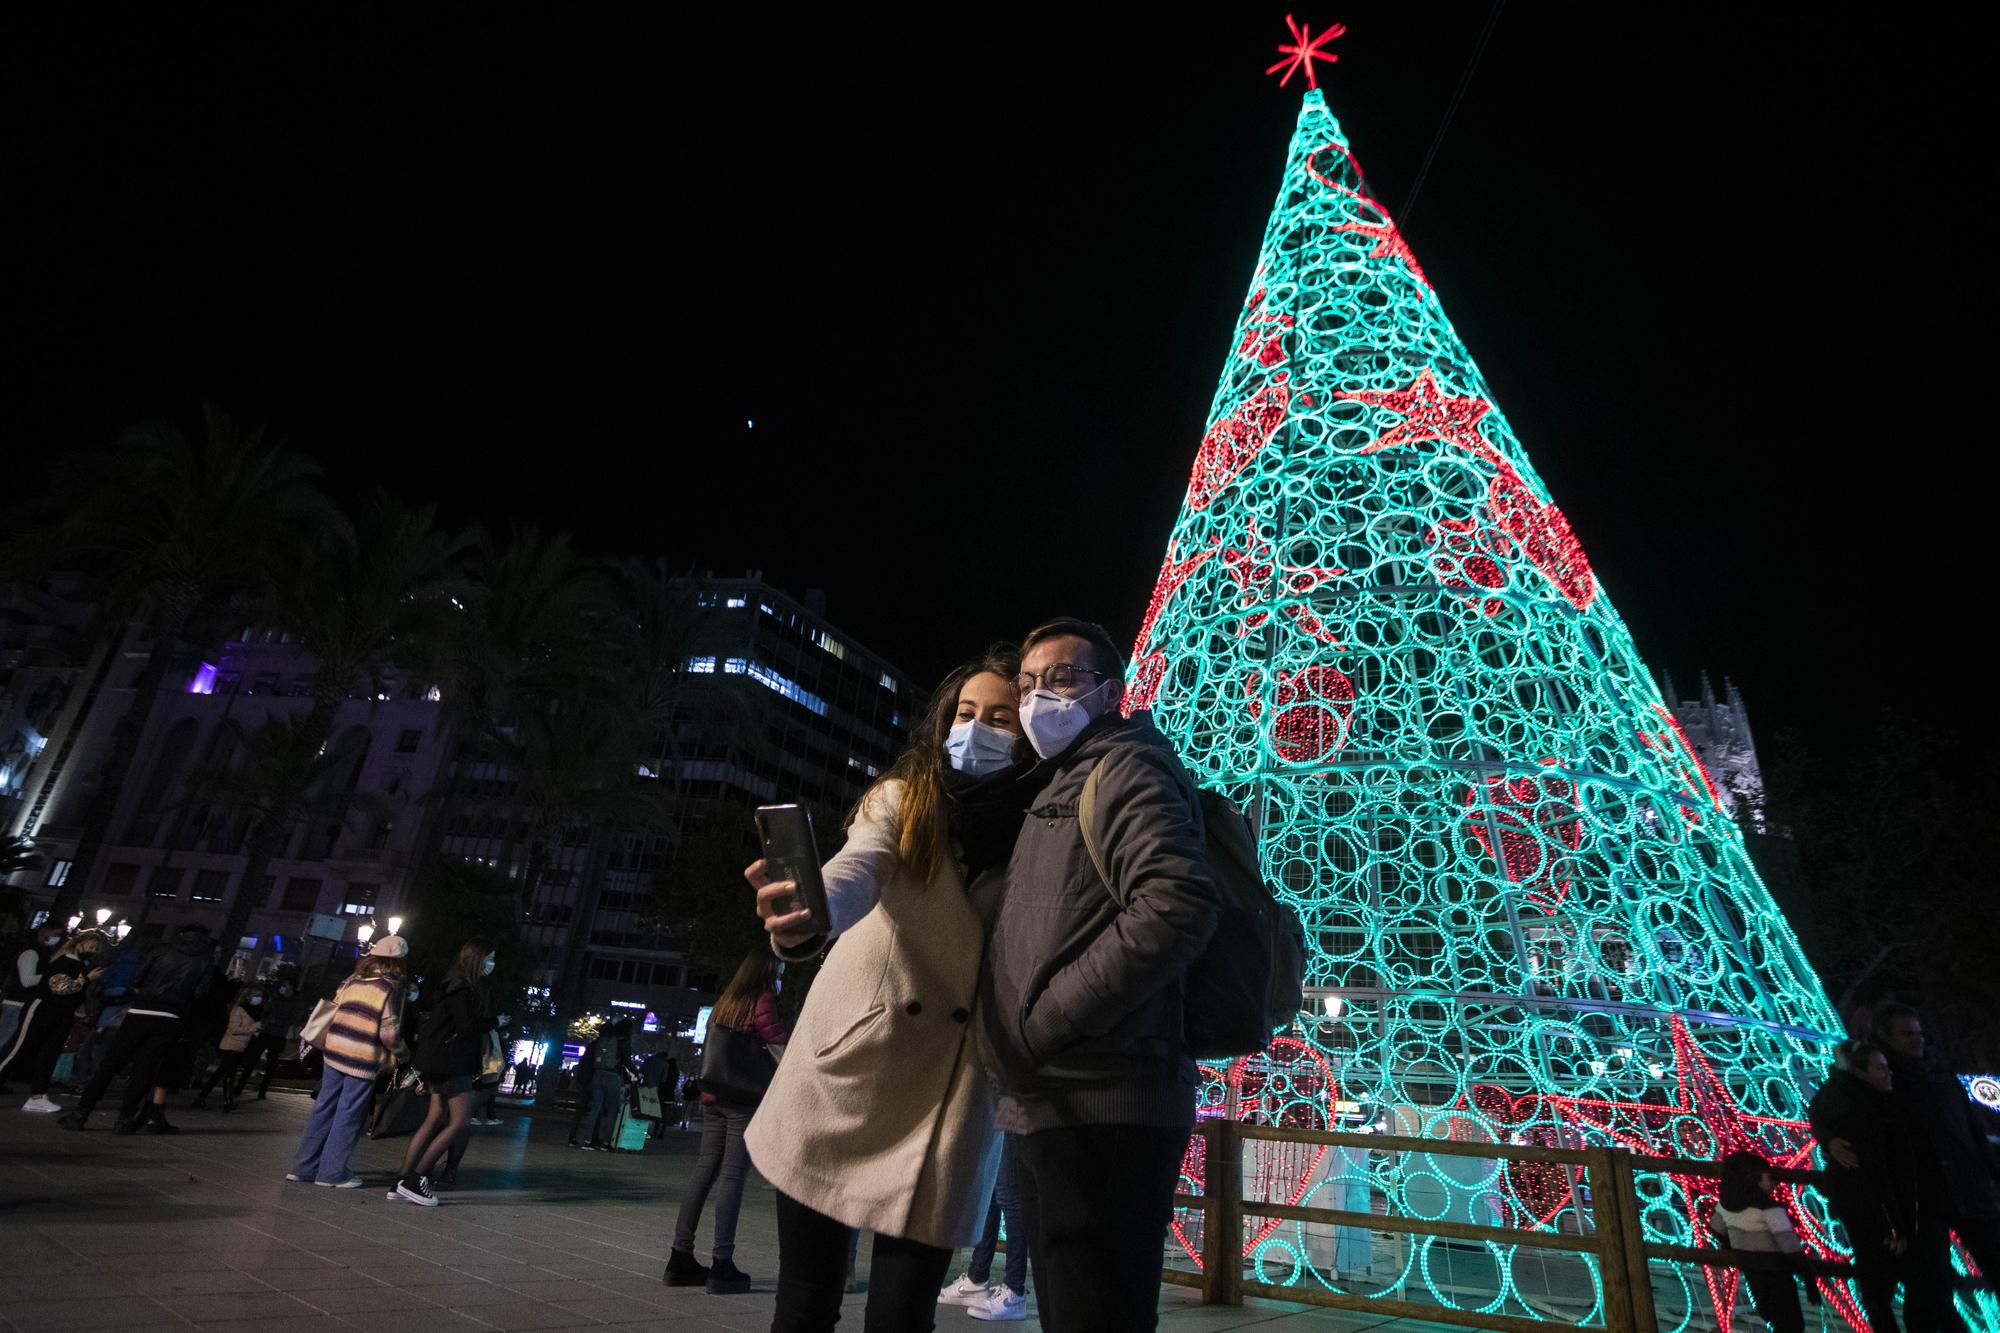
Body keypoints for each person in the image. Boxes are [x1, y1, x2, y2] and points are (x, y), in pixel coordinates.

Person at [744, 651, 1037, 1332]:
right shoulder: (904, 799)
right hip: (852, 1075)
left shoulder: (1038, 829)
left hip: (951, 1101)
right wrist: (809, 912)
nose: (977, 729)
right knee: (805, 1304)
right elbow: (859, 864)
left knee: (902, 1316)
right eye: (965, 714)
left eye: (1000, 717)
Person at [975, 618, 1223, 1332]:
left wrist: (1047, 1021)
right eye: (1027, 682)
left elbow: (1177, 902)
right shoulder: (1068, 776)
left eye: (1062, 677)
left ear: (1109, 692)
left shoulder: (1124, 767)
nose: (1037, 696)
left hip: (1105, 1102)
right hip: (1061, 1097)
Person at [1810, 1037, 1967, 1333]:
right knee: (1899, 1285)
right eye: (1881, 1068)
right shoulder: (1859, 1105)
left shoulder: (1871, 1097)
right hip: (1890, 1211)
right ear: (1860, 1071)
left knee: (1897, 1286)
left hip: (1901, 1208)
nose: (1888, 1073)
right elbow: (1873, 1168)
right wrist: (1893, 1222)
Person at [667, 950, 791, 1296]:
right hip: (742, 1100)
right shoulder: (762, 1000)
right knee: (733, 1176)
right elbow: (780, 1047)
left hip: (713, 1096)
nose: (780, 979)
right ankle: (722, 1264)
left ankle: (680, 1257)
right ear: (766, 972)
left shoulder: (726, 1001)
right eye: (779, 972)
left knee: (704, 1170)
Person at [1874, 1003, 2000, 1296]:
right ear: (1887, 1038)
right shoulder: (1883, 1083)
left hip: (1968, 1186)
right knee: (1934, 1284)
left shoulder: (1940, 1074)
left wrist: (1988, 1168)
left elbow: (1971, 1126)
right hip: (1924, 1199)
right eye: (1907, 1034)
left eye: (1918, 1032)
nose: (1917, 1039)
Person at [60, 923, 216, 1133]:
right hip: (170, 1016)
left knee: (111, 1063)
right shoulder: (204, 960)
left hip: (140, 1011)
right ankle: (125, 1119)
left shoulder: (162, 950)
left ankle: (81, 1113)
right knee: (145, 1068)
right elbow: (200, 993)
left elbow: (138, 977)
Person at [286, 937, 407, 1187]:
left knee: (323, 1107)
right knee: (349, 1115)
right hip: (361, 1059)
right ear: (398, 963)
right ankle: (332, 1173)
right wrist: (404, 1054)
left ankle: (303, 1167)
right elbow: (389, 1034)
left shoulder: (351, 980)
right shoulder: (389, 989)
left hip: (334, 1051)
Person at [392, 939, 496, 1206]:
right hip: (452, 1063)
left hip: (434, 1060)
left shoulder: (449, 985)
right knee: (460, 1121)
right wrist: (493, 1022)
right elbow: (466, 1028)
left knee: (434, 1117)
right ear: (477, 960)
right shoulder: (462, 989)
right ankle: (417, 1179)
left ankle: (402, 1180)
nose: (492, 965)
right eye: (489, 959)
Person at [1, 927, 108, 1112]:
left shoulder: (78, 964)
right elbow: (58, 986)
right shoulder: (65, 961)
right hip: (43, 1010)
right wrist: (86, 980)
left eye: (95, 948)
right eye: (90, 946)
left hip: (62, 1014)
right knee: (20, 1048)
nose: (92, 951)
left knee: (49, 1055)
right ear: (79, 944)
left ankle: (38, 1096)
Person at [1708, 1151, 1806, 1333]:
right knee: (1792, 1324)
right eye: (1769, 1176)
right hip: (1778, 1273)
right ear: (1756, 1179)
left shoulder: (1726, 1204)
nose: (1774, 1182)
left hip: (1752, 1271)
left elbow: (1715, 1228)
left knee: (1772, 1316)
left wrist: (1730, 1243)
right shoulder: (1770, 1209)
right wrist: (1806, 1273)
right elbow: (1789, 1244)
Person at [939, 1132, 1032, 1322]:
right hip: (998, 1109)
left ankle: (1015, 1292)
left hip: (1012, 1109)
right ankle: (977, 1278)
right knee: (990, 1190)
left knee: (1009, 1194)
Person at [191, 986, 262, 1110]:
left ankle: (200, 1098)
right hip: (230, 1046)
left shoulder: (254, 1011)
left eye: (260, 996)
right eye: (256, 995)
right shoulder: (238, 1010)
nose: (259, 999)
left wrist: (256, 1030)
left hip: (239, 1047)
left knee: (219, 1074)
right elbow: (233, 1029)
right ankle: (228, 1101)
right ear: (248, 996)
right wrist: (253, 1028)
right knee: (230, 1073)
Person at [579, 1017, 635, 1151]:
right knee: (612, 1110)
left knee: (595, 1109)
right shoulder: (623, 1041)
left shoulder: (606, 1038)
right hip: (612, 1077)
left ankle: (587, 1141)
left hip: (597, 1075)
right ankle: (605, 1143)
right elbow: (626, 1061)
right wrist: (635, 1072)